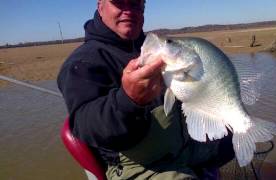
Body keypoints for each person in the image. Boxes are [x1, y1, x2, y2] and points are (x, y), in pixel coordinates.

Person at [57, 0, 235, 179]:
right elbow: (86, 125)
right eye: (119, 3)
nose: (129, 11)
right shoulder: (83, 63)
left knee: (232, 140)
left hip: (180, 143)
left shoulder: (154, 46)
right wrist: (128, 99)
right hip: (140, 165)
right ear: (100, 6)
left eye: (135, 4)